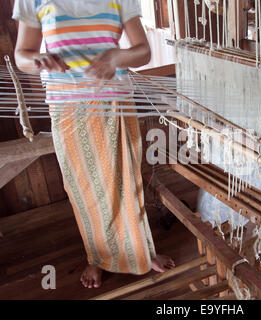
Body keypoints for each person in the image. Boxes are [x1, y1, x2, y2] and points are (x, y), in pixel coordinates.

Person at [12, 0, 175, 289]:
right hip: (66, 107)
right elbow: (21, 57)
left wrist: (116, 57)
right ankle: (97, 257)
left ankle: (142, 253)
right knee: (84, 189)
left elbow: (142, 50)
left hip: (114, 101)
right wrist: (38, 60)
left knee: (125, 183)